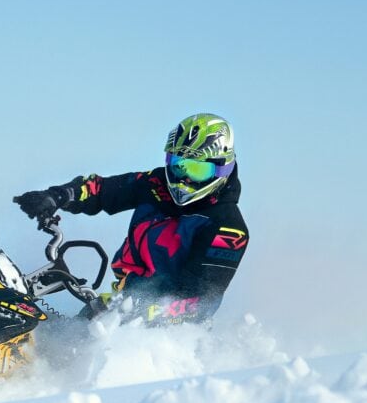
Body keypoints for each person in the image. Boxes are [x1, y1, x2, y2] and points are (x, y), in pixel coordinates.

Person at [14, 113, 248, 327]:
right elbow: (102, 190)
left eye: (197, 170)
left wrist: (144, 311)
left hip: (166, 332)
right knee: (50, 338)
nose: (184, 179)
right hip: (118, 303)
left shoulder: (228, 229)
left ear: (222, 168)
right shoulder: (156, 184)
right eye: (179, 166)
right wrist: (59, 196)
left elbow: (201, 301)